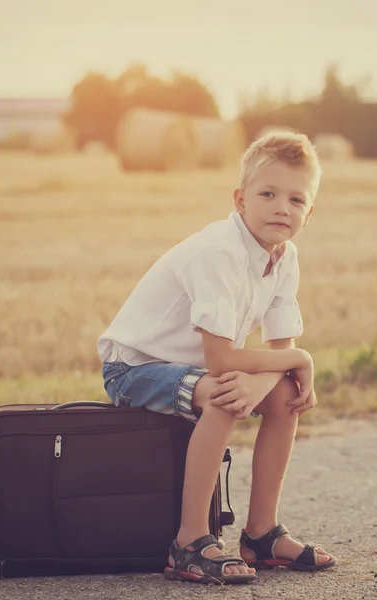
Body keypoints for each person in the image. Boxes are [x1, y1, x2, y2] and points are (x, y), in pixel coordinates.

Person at [97, 130, 337, 585]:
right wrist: (287, 363)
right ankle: (189, 541)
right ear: (240, 199)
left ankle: (261, 534)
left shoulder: (285, 257)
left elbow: (280, 354)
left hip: (202, 367)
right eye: (267, 194)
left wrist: (273, 375)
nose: (281, 207)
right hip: (134, 369)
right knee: (226, 394)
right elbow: (224, 359)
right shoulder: (219, 253)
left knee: (286, 394)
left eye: (296, 199)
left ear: (309, 212)